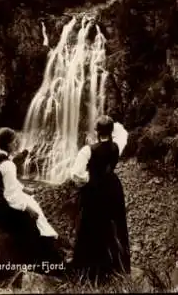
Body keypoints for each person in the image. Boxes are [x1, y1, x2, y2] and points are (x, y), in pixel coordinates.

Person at [0, 127, 63, 265]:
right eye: (15, 142)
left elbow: (5, 181)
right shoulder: (8, 164)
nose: (17, 144)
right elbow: (11, 197)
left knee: (29, 206)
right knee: (30, 221)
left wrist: (24, 189)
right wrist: (27, 209)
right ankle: (39, 260)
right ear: (8, 144)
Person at [70, 115, 131, 283]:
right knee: (113, 224)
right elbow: (122, 132)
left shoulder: (88, 150)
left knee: (91, 224)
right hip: (113, 188)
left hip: (95, 189)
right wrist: (111, 125)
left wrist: (89, 178)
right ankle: (113, 267)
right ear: (111, 131)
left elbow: (76, 174)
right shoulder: (118, 146)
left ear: (96, 132)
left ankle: (90, 270)